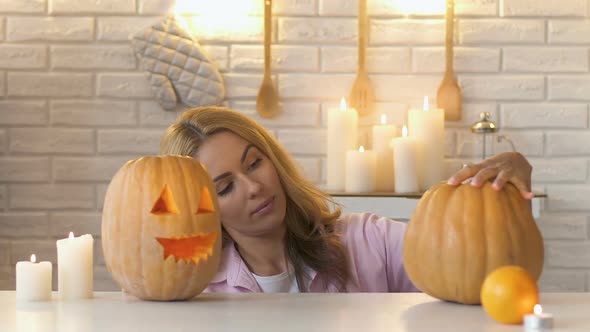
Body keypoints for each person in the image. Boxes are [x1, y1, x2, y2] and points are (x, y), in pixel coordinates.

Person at [160, 106, 534, 293]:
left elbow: (484, 276)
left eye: (254, 163)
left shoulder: (370, 241)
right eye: (225, 187)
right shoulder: (196, 287)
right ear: (198, 206)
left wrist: (510, 189)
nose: (253, 187)